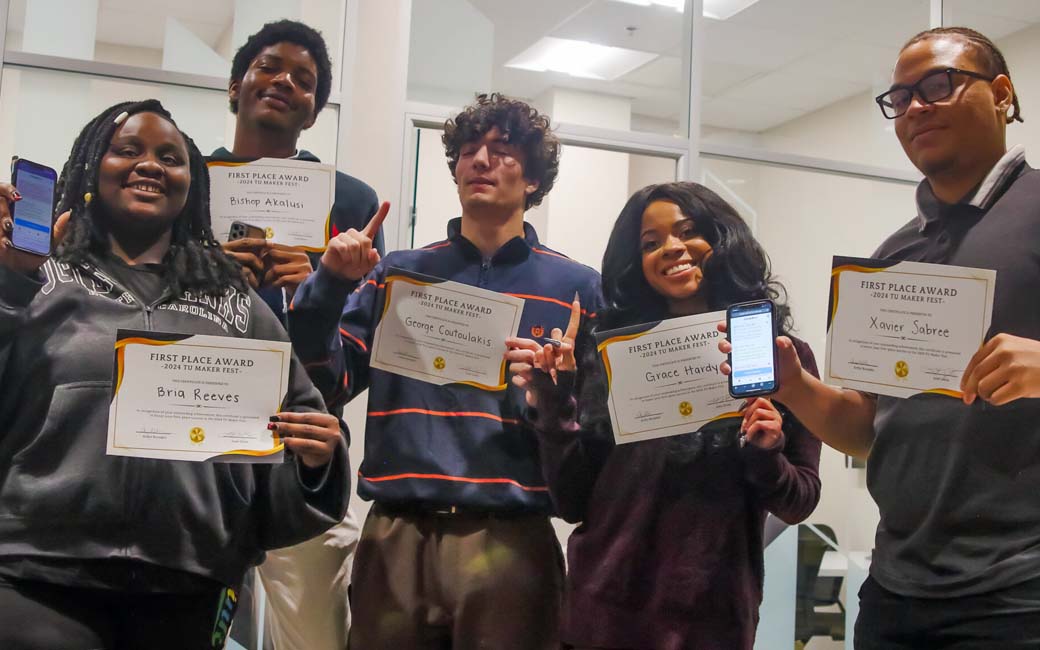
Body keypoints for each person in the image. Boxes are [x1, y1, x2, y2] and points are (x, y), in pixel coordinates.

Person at [719, 27, 1040, 648]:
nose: (916, 107)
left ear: (1001, 94)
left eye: (938, 85)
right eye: (900, 97)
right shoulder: (891, 257)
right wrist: (796, 387)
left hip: (1020, 591)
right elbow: (868, 430)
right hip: (899, 588)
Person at [0, 99, 348, 649]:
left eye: (171, 156)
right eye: (127, 150)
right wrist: (9, 284)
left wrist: (318, 456)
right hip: (36, 568)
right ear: (92, 169)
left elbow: (295, 419)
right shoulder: (36, 277)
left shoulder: (235, 302)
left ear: (193, 185)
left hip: (191, 575)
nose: (151, 165)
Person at [288, 93, 603, 649]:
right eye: (467, 150)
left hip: (512, 538)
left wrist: (556, 395)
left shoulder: (577, 290)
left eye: (502, 151)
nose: (479, 161)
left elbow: (596, 433)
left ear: (533, 179)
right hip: (396, 532)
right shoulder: (399, 274)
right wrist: (330, 283)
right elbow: (328, 382)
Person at [506, 181, 822, 650]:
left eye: (688, 231)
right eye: (650, 243)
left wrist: (766, 452)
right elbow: (573, 502)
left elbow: (800, 501)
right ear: (637, 263)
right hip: (603, 614)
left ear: (721, 238)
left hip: (713, 619)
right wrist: (554, 406)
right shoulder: (610, 353)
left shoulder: (778, 356)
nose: (672, 249)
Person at [209, 20, 383, 649]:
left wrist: (318, 292)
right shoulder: (186, 184)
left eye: (304, 81)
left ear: (312, 112)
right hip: (198, 443)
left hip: (301, 454)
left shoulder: (351, 200)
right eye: (270, 67)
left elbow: (358, 357)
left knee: (317, 638)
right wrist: (207, 277)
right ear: (237, 85)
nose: (285, 82)